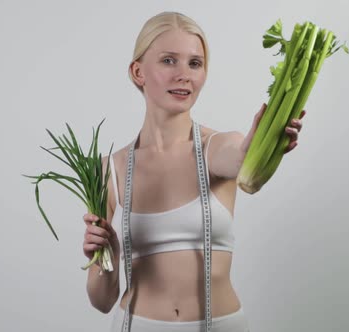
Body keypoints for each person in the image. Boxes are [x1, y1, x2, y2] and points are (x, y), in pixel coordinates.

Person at [82, 11, 305, 332]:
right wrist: (108, 258)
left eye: (195, 63)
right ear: (138, 72)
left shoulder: (217, 147)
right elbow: (102, 301)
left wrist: (260, 146)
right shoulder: (109, 172)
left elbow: (240, 159)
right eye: (169, 61)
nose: (184, 75)